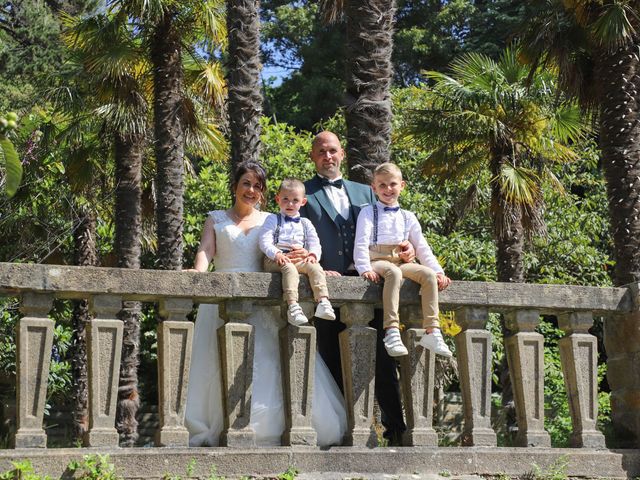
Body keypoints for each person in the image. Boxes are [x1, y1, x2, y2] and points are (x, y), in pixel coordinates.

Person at [184, 161, 346, 447]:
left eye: (257, 186)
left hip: (262, 297)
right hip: (222, 296)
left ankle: (267, 426)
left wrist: (312, 263)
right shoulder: (216, 219)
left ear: (263, 192)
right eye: (246, 183)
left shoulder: (271, 219)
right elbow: (206, 250)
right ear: (235, 186)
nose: (251, 190)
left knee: (265, 360)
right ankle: (218, 425)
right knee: (214, 362)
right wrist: (198, 273)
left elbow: (286, 252)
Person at [298, 131, 410, 445]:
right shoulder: (302, 192)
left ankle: (396, 430)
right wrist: (316, 266)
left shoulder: (367, 191)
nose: (327, 156)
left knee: (383, 361)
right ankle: (347, 432)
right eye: (321, 151)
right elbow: (297, 237)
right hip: (326, 289)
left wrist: (407, 251)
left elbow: (392, 226)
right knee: (332, 358)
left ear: (342, 154)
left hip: (370, 285)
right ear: (313, 156)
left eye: (332, 150)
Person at [354, 162, 452, 358]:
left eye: (392, 184)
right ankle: (391, 330)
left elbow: (422, 247)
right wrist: (364, 267)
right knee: (394, 272)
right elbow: (361, 242)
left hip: (401, 259)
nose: (387, 189)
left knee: (428, 276)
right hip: (378, 259)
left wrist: (438, 270)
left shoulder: (408, 217)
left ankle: (432, 330)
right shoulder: (367, 212)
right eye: (382, 185)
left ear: (402, 185)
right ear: (374, 188)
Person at [259, 178, 336, 326]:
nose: (290, 204)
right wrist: (276, 254)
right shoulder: (272, 219)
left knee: (315, 268)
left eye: (295, 200)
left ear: (303, 202)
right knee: (290, 270)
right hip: (275, 258)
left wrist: (313, 255)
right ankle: (293, 306)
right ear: (277, 199)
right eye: (285, 199)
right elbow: (264, 241)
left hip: (299, 258)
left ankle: (323, 301)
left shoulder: (305, 223)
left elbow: (315, 242)